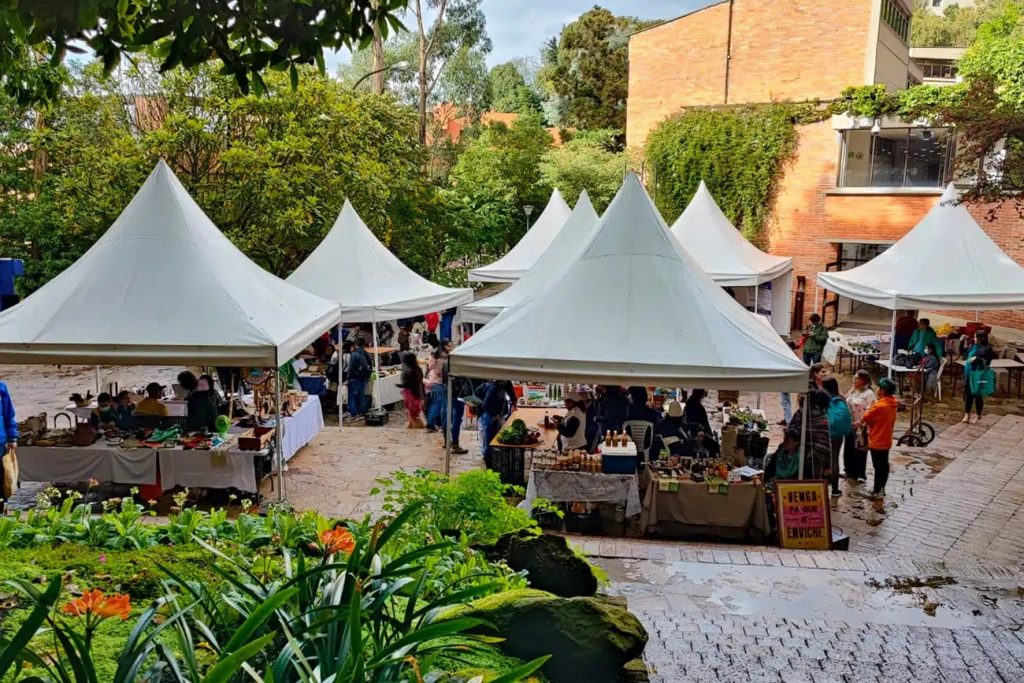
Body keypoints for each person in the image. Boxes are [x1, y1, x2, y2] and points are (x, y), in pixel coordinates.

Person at [860, 377, 898, 498]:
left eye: (879, 388)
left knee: (878, 466)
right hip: (886, 439)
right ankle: (882, 488)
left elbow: (866, 416)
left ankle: (876, 491)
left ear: (882, 390)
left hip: (877, 439)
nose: (877, 390)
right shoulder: (892, 403)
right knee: (884, 465)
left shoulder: (879, 406)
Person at [788, 390, 832, 480]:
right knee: (813, 482)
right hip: (817, 457)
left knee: (796, 480)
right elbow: (826, 442)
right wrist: (828, 464)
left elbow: (791, 431)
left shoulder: (800, 413)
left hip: (798, 455)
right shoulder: (823, 417)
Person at [822, 377, 852, 497]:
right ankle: (835, 490)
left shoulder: (822, 398)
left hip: (824, 431)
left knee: (823, 460)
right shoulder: (841, 399)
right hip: (837, 434)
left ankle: (821, 487)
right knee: (834, 459)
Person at [844, 370, 877, 482]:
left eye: (857, 378)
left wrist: (862, 422)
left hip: (862, 426)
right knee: (849, 448)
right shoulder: (852, 392)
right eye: (854, 378)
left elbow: (871, 410)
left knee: (860, 450)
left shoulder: (869, 394)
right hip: (850, 424)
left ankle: (860, 473)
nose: (855, 380)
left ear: (864, 380)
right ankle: (849, 471)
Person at [962, 331, 996, 424]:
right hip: (969, 372)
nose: (974, 339)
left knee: (978, 395)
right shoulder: (973, 346)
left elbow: (987, 361)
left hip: (979, 373)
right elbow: (964, 353)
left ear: (981, 338)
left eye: (976, 337)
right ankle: (967, 414)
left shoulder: (987, 349)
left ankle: (978, 414)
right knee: (969, 394)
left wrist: (977, 359)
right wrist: (962, 342)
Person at [479, 380, 512, 465]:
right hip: (490, 417)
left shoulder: (501, 388)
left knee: (491, 440)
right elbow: (485, 404)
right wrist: (495, 415)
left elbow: (510, 389)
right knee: (490, 442)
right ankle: (488, 463)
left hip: (493, 417)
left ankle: (490, 460)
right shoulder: (494, 389)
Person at [396, 353, 425, 428]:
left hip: (410, 394)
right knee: (415, 413)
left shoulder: (406, 371)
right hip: (418, 393)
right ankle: (412, 426)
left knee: (412, 414)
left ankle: (416, 427)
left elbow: (406, 383)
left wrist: (400, 385)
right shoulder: (418, 369)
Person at [346, 338, 372, 418]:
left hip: (354, 378)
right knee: (361, 395)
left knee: (352, 396)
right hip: (363, 377)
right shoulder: (367, 354)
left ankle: (353, 413)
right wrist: (368, 376)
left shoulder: (354, 354)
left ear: (356, 345)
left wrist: (348, 378)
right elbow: (370, 366)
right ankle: (362, 411)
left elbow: (350, 368)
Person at [0, 379, 16, 501]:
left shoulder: (1, 388)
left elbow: (8, 414)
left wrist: (12, 437)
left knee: (1, 479)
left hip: (0, 443)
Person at [424, 345, 446, 432]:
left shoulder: (433, 358)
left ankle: (432, 424)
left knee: (435, 405)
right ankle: (430, 424)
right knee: (437, 405)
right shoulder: (440, 359)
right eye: (448, 346)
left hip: (434, 383)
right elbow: (438, 372)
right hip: (438, 384)